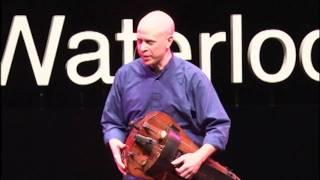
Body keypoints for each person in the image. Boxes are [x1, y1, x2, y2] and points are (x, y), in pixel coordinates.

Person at [101, 10, 231, 180]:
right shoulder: (125, 75)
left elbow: (219, 126)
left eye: (149, 42)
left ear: (169, 41)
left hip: (180, 174)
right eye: (139, 41)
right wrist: (114, 140)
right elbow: (112, 122)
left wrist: (197, 158)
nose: (142, 48)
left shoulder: (192, 77)